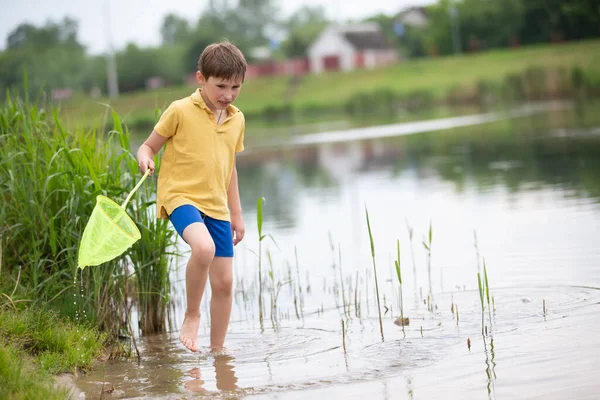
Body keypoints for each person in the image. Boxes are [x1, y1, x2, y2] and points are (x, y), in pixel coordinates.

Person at [136, 41, 247, 353]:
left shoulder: (237, 119)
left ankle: (217, 353)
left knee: (224, 283)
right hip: (180, 196)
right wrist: (145, 159)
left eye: (235, 86)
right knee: (203, 247)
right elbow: (148, 146)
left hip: (217, 207)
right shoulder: (179, 110)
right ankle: (192, 314)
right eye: (221, 85)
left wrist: (236, 213)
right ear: (201, 79)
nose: (228, 94)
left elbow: (231, 168)